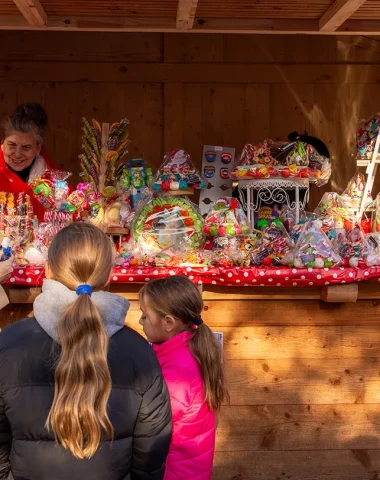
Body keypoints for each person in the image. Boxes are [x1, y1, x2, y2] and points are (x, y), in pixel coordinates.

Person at [0, 223, 172, 480]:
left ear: (48, 270)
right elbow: (151, 451)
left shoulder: (8, 344)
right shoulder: (139, 352)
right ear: (109, 277)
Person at [139, 276, 229, 480]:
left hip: (173, 473)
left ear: (168, 322)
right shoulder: (186, 350)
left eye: (145, 316)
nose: (140, 321)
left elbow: (152, 426)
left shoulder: (177, 373)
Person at [0, 102, 55, 220]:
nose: (18, 154)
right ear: (2, 142)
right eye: (12, 145)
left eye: (26, 147)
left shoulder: (55, 182)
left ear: (38, 148)